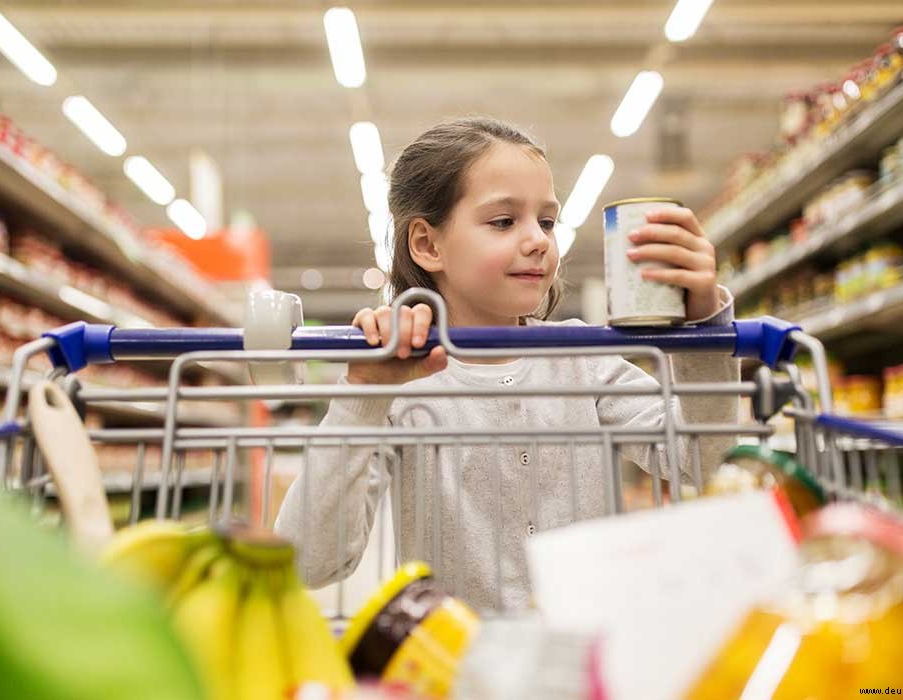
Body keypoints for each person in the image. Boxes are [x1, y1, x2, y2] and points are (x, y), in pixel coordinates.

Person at [276, 116, 738, 610]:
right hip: (457, 670)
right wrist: (363, 395)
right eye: (503, 221)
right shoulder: (401, 384)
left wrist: (703, 326)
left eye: (546, 221)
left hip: (584, 668)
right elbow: (308, 561)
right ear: (428, 244)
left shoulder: (584, 360)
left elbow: (701, 460)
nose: (538, 240)